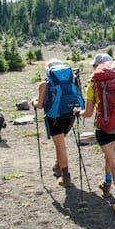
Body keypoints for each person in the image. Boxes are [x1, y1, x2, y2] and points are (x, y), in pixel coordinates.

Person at [74, 53, 115, 216]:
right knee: (111, 156)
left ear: (97, 66)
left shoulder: (94, 83)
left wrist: (77, 112)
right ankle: (106, 185)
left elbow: (88, 112)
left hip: (106, 129)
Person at [32, 59, 78, 188]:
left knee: (60, 146)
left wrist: (33, 102)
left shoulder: (44, 84)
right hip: (70, 114)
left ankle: (66, 176)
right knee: (61, 143)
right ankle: (58, 166)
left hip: (55, 117)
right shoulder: (71, 81)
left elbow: (40, 105)